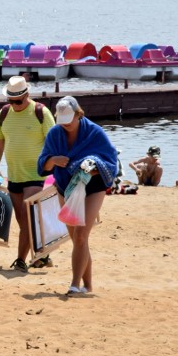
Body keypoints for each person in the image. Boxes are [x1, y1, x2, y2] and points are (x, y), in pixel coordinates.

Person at [37, 96, 118, 296]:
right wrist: (53, 160)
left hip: (93, 187)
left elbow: (110, 162)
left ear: (79, 115)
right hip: (65, 187)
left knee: (81, 235)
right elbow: (42, 165)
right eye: (61, 122)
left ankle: (74, 285)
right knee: (77, 239)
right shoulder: (55, 134)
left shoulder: (94, 132)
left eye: (68, 121)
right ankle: (88, 286)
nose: (65, 126)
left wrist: (92, 168)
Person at [0, 76, 56, 272]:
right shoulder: (4, 114)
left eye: (18, 101)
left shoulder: (41, 112)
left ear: (27, 95)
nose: (15, 105)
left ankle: (20, 260)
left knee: (28, 213)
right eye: (11, 100)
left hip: (36, 173)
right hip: (14, 174)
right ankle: (43, 254)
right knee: (23, 221)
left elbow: (55, 141)